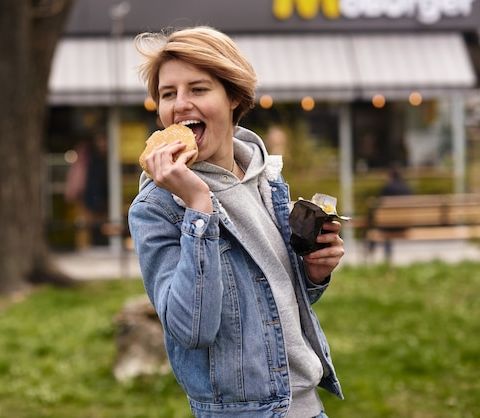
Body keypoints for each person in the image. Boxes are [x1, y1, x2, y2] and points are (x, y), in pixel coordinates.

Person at [128, 26, 345, 417]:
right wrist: (197, 205)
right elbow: (193, 329)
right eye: (167, 94)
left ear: (233, 97)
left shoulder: (265, 180)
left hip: (307, 406)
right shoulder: (157, 207)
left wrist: (312, 274)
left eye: (198, 89)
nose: (179, 105)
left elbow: (269, 300)